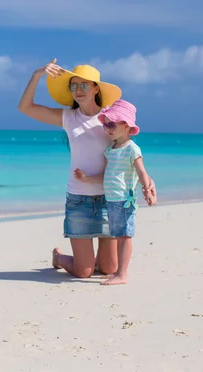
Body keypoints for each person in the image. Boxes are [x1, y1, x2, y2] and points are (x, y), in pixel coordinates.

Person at [17, 59, 156, 279]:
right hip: (79, 201)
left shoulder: (110, 118)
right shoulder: (68, 118)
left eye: (84, 85)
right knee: (84, 272)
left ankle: (92, 260)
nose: (78, 90)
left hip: (109, 199)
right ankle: (59, 257)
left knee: (109, 268)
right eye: (74, 86)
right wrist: (37, 75)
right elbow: (25, 108)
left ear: (95, 88)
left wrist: (147, 179)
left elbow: (129, 150)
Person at [74, 100, 156, 285]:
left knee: (124, 236)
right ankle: (119, 272)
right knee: (118, 235)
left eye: (111, 124)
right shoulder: (110, 150)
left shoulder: (131, 149)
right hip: (110, 201)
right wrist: (86, 179)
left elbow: (141, 171)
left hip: (123, 201)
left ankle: (122, 274)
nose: (107, 129)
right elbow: (106, 175)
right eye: (105, 125)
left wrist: (147, 190)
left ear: (126, 126)